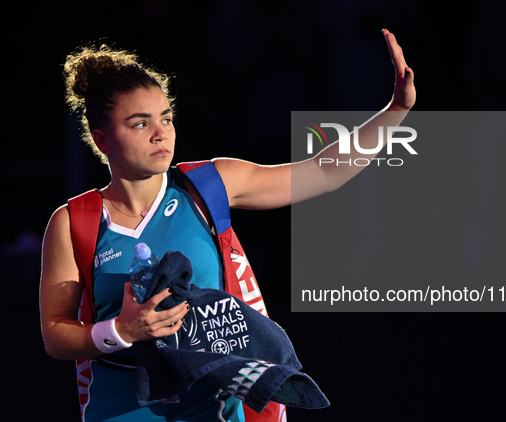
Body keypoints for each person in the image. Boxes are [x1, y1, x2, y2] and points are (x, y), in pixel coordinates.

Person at [39, 29, 415, 422]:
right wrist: (122, 330)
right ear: (102, 140)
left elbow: (322, 173)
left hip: (213, 406)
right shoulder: (74, 221)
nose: (160, 133)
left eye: (166, 119)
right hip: (120, 410)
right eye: (139, 123)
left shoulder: (209, 185)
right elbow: (55, 334)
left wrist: (396, 111)